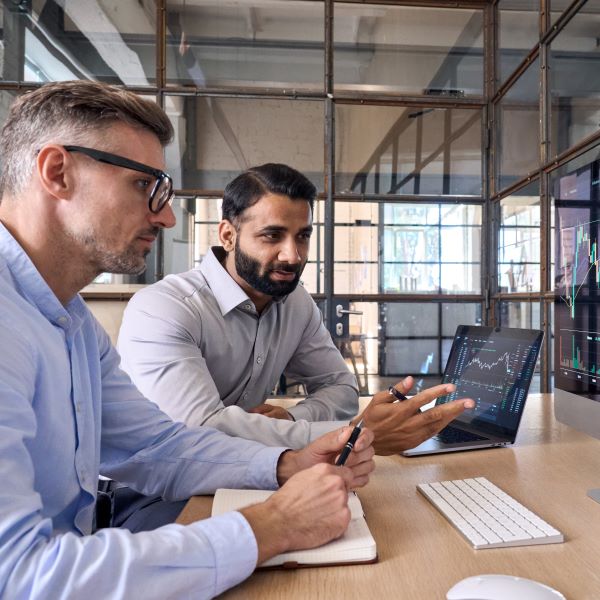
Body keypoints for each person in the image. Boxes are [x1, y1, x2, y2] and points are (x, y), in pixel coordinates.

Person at [0, 80, 376, 599]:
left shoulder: (71, 320)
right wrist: (272, 526)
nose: (166, 216)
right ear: (57, 172)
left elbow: (156, 445)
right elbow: (20, 578)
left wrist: (286, 463)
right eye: (143, 186)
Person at [118, 164, 475, 454]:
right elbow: (200, 430)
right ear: (227, 235)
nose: (293, 255)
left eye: (302, 236)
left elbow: (340, 388)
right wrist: (354, 433)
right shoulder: (164, 309)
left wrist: (291, 421)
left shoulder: (295, 301)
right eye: (272, 236)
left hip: (245, 472)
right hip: (149, 492)